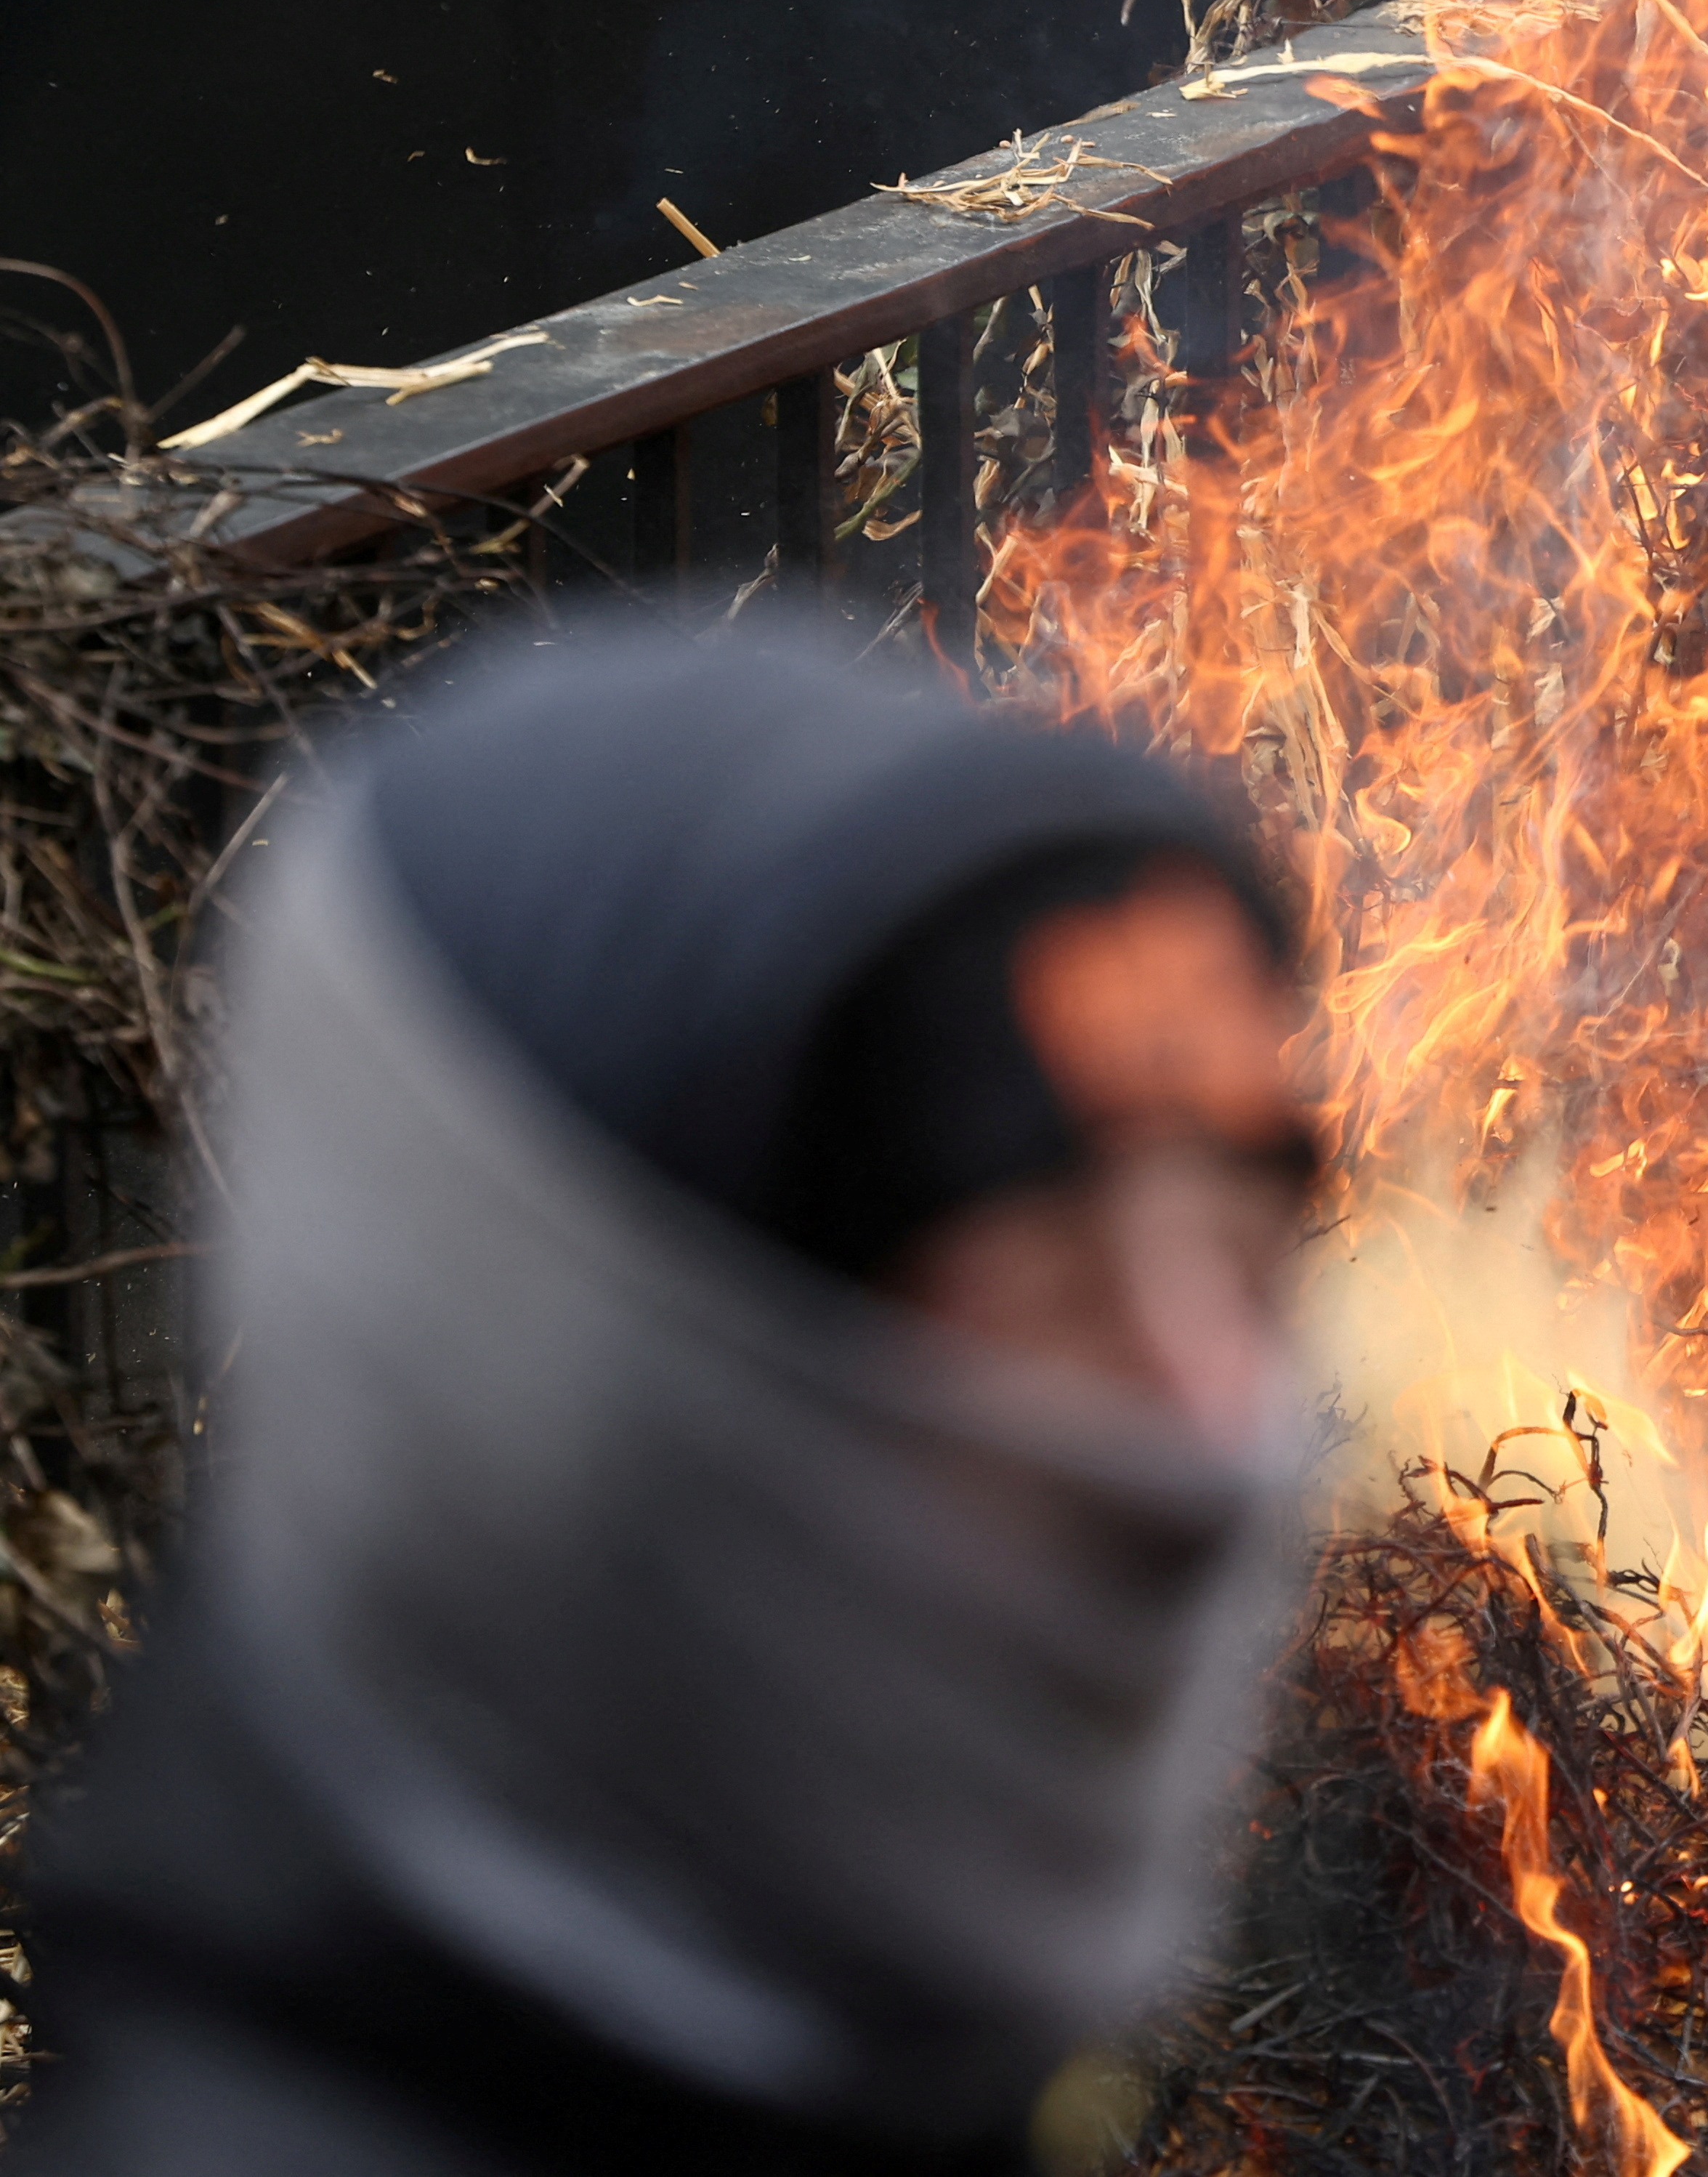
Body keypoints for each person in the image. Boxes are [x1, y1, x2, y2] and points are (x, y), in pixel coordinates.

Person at [9, 634, 1324, 2176]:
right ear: (538, 1389)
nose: (1215, 1427)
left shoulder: (852, 2040)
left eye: (1253, 1271)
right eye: (1043, 1305)